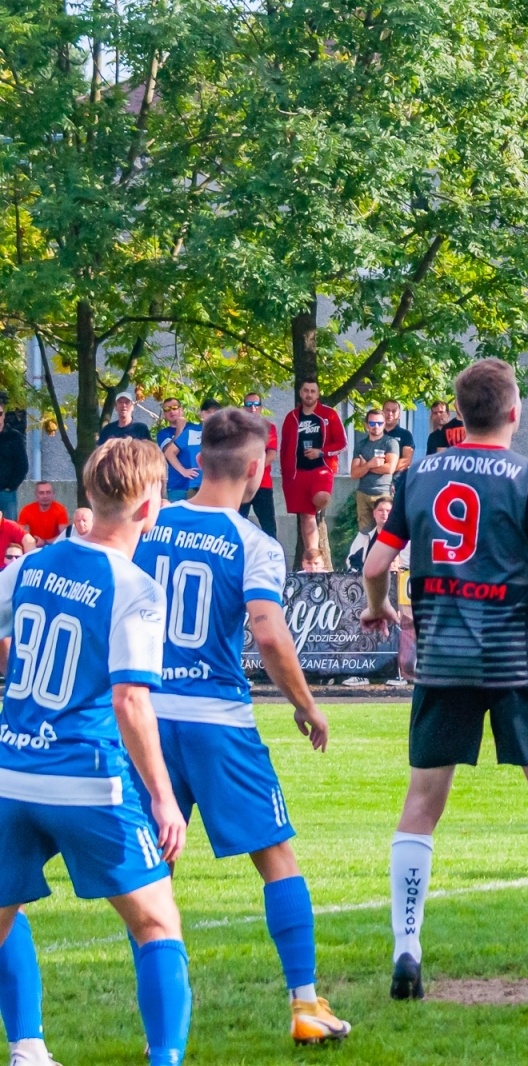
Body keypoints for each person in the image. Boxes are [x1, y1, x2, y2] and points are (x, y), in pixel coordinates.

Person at [359, 358, 528, 1000]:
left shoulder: (419, 471)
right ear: (514, 411)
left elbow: (377, 561)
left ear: (458, 415)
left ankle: (406, 947)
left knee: (422, 804)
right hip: (517, 657)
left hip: (444, 658)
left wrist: (378, 607)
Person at [132, 407, 350, 1045]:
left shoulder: (150, 525)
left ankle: (162, 1032)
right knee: (277, 858)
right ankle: (306, 1007)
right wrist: (306, 704)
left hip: (148, 718)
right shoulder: (252, 543)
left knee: (153, 875)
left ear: (197, 462)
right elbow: (268, 630)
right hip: (218, 721)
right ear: (258, 472)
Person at [0, 437, 193, 1066]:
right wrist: (164, 799)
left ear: (88, 494)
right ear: (149, 508)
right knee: (157, 922)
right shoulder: (133, 584)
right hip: (87, 779)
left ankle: (28, 1047)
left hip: (11, 772)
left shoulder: (31, 564)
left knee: (4, 911)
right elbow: (131, 701)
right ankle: (163, 1060)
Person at [280, 381, 346, 573]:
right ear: (300, 393)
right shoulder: (291, 417)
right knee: (306, 516)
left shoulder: (329, 415)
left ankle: (317, 511)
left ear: (318, 394)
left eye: (313, 391)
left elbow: (342, 443)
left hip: (321, 469)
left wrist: (321, 452)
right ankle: (312, 557)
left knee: (321, 498)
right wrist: (287, 477)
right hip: (297, 473)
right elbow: (284, 450)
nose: (309, 394)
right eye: (306, 390)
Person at [351, 409, 401, 533]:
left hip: (383, 493)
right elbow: (354, 473)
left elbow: (390, 468)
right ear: (366, 425)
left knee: (385, 532)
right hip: (363, 493)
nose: (376, 426)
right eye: (372, 423)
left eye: (379, 423)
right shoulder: (360, 445)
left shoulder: (390, 442)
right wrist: (370, 464)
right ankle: (366, 553)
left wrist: (366, 466)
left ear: (384, 424)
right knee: (365, 533)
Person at [239, 393, 279, 538]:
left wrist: (255, 471)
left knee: (268, 526)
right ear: (244, 407)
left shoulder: (269, 428)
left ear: (261, 407)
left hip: (263, 483)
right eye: (249, 405)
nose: (253, 408)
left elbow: (272, 454)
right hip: (241, 483)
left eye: (256, 404)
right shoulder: (238, 428)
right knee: (237, 523)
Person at [157, 398, 202, 502]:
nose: (171, 411)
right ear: (164, 414)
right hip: (177, 487)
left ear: (181, 410)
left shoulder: (196, 428)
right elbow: (168, 451)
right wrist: (180, 430)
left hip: (198, 486)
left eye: (174, 408)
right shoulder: (163, 434)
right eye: (167, 409)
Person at [347, 497, 394, 573]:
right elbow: (351, 562)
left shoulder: (403, 538)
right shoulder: (363, 536)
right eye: (380, 510)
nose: (384, 514)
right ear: (374, 513)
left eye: (388, 511)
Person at [0, 400, 27, 520]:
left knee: (9, 528)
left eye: (0, 414)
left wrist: (11, 486)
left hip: (6, 493)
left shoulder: (14, 436)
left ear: (4, 415)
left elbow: (22, 465)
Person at [382, 400, 416, 473]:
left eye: (394, 411)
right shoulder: (376, 433)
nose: (390, 413)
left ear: (399, 415)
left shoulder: (405, 434)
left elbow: (406, 460)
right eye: (387, 410)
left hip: (397, 479)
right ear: (382, 413)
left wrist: (386, 470)